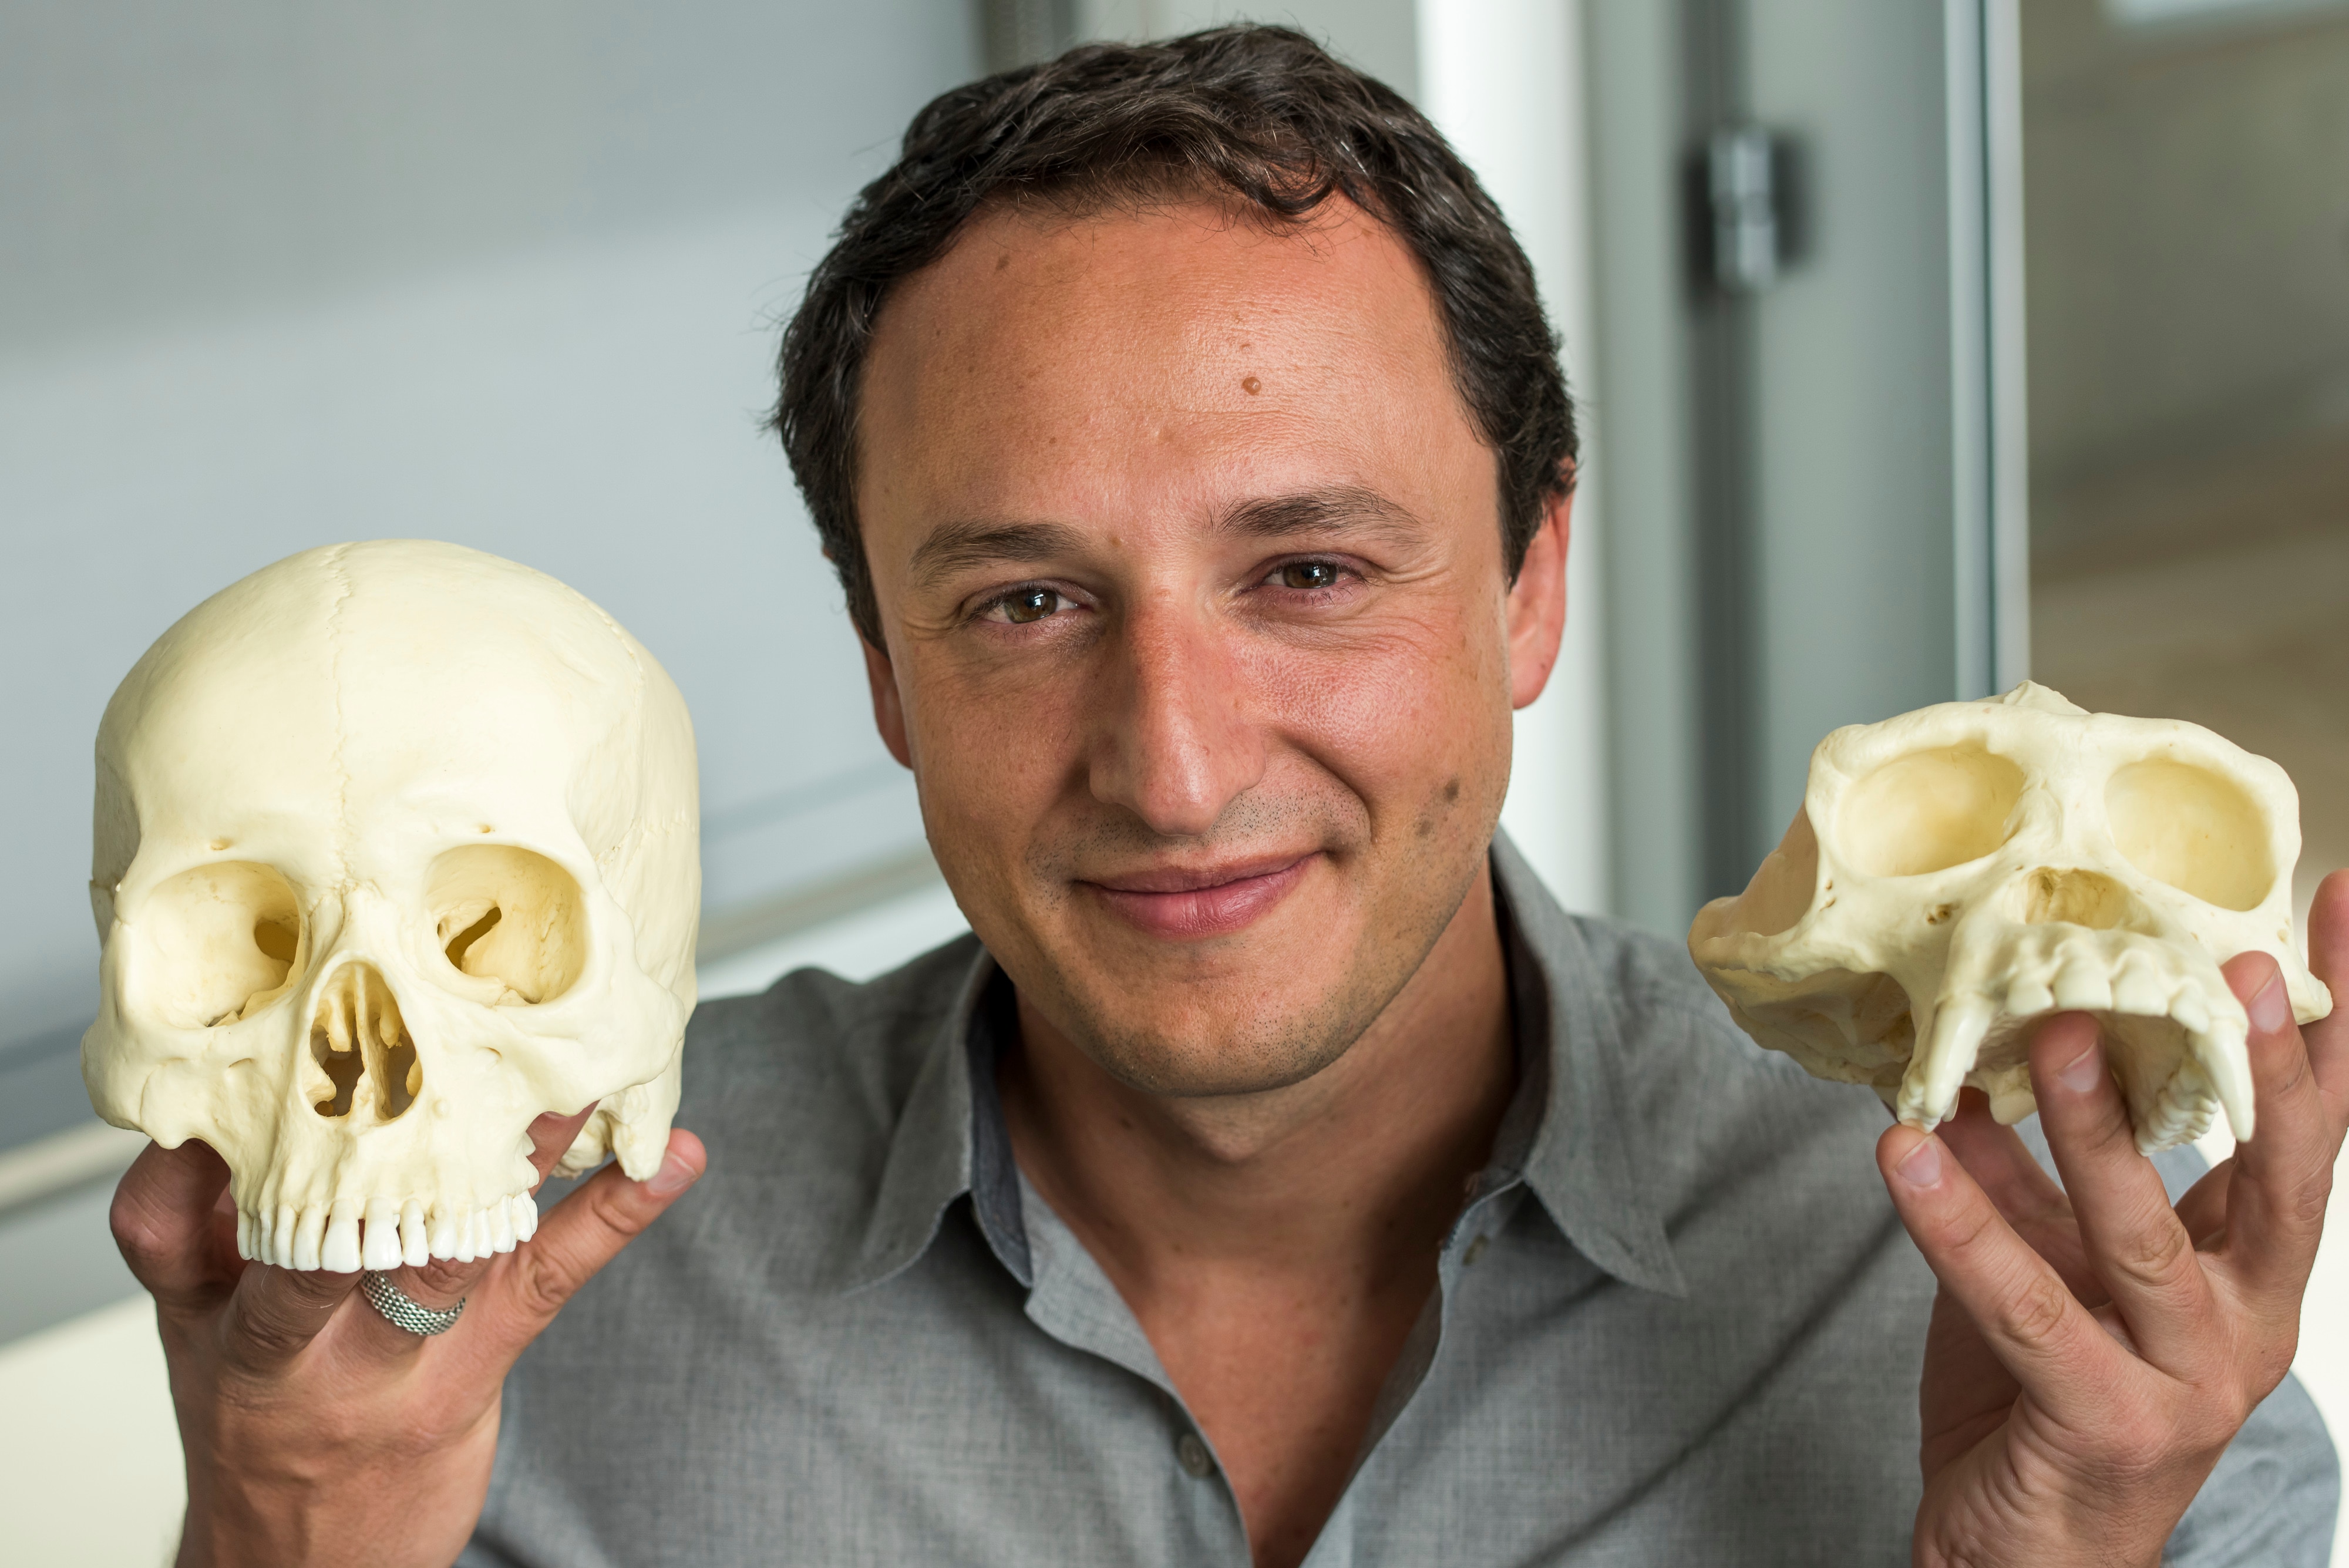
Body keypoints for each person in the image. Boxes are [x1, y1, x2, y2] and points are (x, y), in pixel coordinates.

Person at [112, 27, 2344, 1568]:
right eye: (1019, 604)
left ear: (1531, 583)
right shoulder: (511, 1277)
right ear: (882, 674)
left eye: (1306, 572)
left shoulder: (2046, 1305)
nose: (1175, 766)